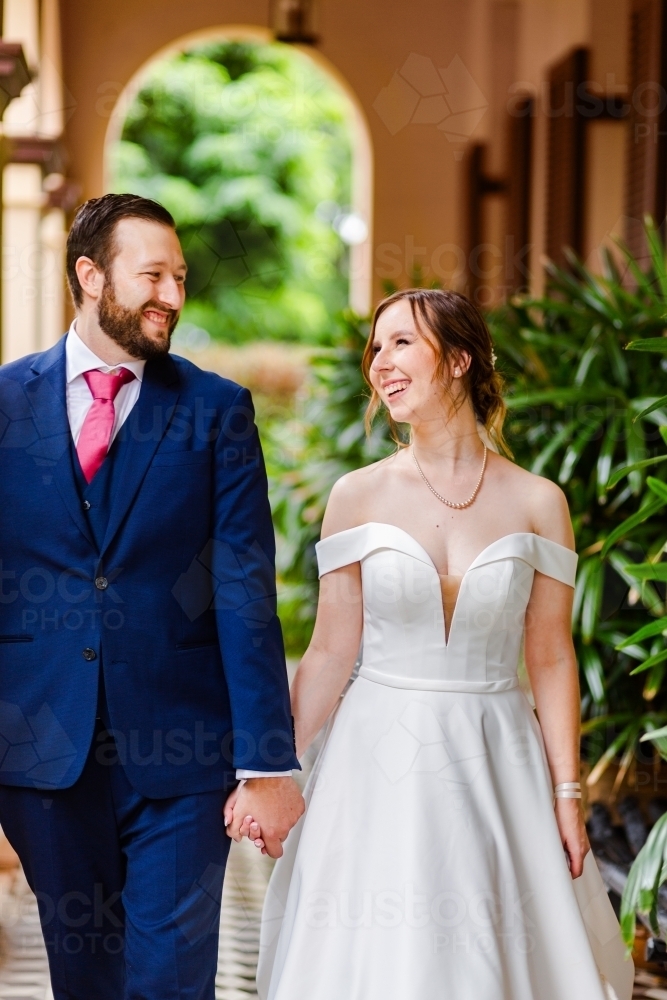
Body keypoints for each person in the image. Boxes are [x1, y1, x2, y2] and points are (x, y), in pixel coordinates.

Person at [254, 289, 634, 1000]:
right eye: (376, 347)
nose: (379, 363)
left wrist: (566, 792)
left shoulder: (537, 501)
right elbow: (331, 652)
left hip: (498, 756)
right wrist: (273, 770)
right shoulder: (355, 497)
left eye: (401, 343)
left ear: (459, 359)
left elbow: (550, 658)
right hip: (374, 760)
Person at [0, 193, 304, 1000]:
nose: (172, 294)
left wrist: (267, 761)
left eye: (180, 277)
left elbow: (243, 589)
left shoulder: (216, 412)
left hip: (182, 755)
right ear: (90, 275)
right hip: (39, 750)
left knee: (170, 978)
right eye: (153, 275)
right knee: (85, 973)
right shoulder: (4, 403)